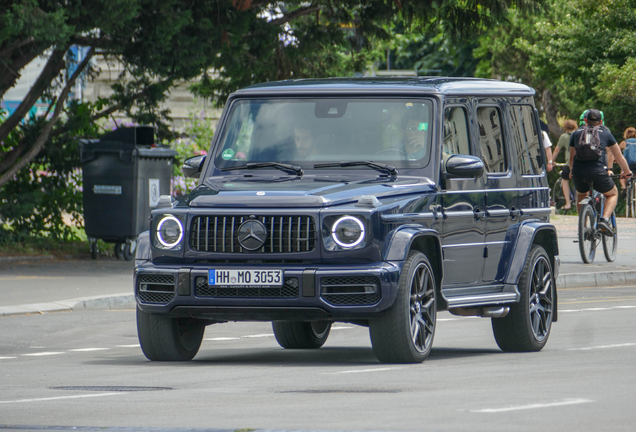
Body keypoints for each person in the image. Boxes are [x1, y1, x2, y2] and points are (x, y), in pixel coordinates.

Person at [569, 109, 633, 235]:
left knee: (581, 194)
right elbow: (619, 156)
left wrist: (572, 171)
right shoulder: (606, 133)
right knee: (613, 193)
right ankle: (604, 220)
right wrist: (627, 172)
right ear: (601, 121)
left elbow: (572, 157)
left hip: (579, 171)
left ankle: (583, 225)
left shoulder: (576, 133)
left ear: (585, 120)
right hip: (597, 171)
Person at [551, 119, 578, 210]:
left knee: (564, 180)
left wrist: (551, 161)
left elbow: (556, 150)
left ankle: (568, 203)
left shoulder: (564, 137)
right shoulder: (579, 134)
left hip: (570, 162)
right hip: (581, 162)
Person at [607, 127, 636, 194]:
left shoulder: (624, 143)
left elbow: (617, 154)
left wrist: (614, 160)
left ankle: (624, 188)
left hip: (629, 164)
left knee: (622, 173)